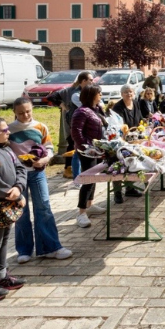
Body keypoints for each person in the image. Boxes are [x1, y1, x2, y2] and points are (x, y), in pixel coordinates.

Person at [8, 98, 72, 263]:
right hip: (17, 176)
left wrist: (46, 159)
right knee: (21, 212)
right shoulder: (9, 130)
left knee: (43, 207)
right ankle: (24, 249)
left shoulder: (40, 127)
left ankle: (50, 247)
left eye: (28, 111)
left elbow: (49, 147)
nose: (25, 115)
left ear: (32, 109)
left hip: (37, 172)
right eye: (21, 113)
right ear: (14, 112)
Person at [0, 116, 27, 301]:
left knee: (4, 240)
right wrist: (15, 197)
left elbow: (20, 169)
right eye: (4, 130)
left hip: (7, 204)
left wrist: (19, 187)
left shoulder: (7, 149)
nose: (8, 132)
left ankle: (1, 275)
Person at [71, 85, 108, 228]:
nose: (101, 95)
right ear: (92, 95)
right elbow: (76, 133)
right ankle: (81, 213)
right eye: (99, 93)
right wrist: (87, 147)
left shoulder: (96, 109)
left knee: (94, 178)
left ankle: (90, 204)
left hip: (98, 149)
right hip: (88, 151)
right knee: (87, 179)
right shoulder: (81, 112)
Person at [47, 71, 93, 182]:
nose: (92, 82)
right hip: (73, 122)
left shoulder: (87, 91)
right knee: (72, 145)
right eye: (90, 80)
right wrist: (63, 105)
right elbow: (51, 97)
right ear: (83, 81)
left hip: (83, 122)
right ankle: (68, 168)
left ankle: (78, 169)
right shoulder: (71, 91)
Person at [110, 86, 144, 203]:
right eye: (125, 92)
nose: (128, 94)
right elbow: (117, 125)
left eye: (130, 92)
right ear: (121, 94)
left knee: (132, 162)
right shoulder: (117, 107)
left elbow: (139, 118)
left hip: (134, 138)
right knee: (120, 164)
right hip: (121, 140)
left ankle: (130, 188)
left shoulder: (135, 103)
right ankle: (117, 192)